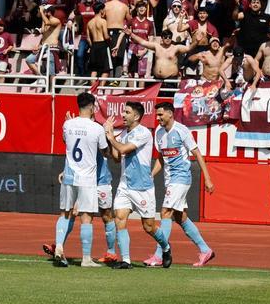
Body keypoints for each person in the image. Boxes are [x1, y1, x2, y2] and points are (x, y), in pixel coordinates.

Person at [144, 103, 216, 268]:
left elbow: (197, 153)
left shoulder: (182, 130)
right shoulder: (159, 133)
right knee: (179, 216)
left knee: (165, 212)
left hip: (181, 178)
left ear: (170, 114)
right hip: (169, 179)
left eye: (161, 115)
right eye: (157, 115)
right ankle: (205, 250)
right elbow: (162, 159)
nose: (158, 118)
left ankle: (160, 254)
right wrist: (150, 175)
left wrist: (207, 178)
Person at [103, 102, 172, 269]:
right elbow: (118, 157)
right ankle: (126, 260)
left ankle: (166, 248)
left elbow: (125, 150)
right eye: (123, 111)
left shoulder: (144, 133)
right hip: (125, 185)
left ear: (136, 116)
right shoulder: (124, 134)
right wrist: (109, 137)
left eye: (127, 112)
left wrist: (112, 138)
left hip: (142, 188)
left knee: (148, 227)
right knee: (119, 218)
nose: (123, 115)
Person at [52, 92, 109, 268]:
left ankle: (59, 246)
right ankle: (86, 258)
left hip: (69, 174)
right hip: (87, 177)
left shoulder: (68, 124)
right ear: (92, 107)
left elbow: (64, 140)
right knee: (86, 217)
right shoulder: (97, 128)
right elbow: (105, 151)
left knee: (65, 213)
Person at [87, 2, 112, 79]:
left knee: (94, 70)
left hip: (94, 45)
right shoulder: (103, 21)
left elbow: (88, 38)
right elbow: (106, 36)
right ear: (101, 10)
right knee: (106, 70)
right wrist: (110, 40)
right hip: (102, 45)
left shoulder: (89, 23)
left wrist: (92, 46)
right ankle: (100, 89)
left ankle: (93, 90)